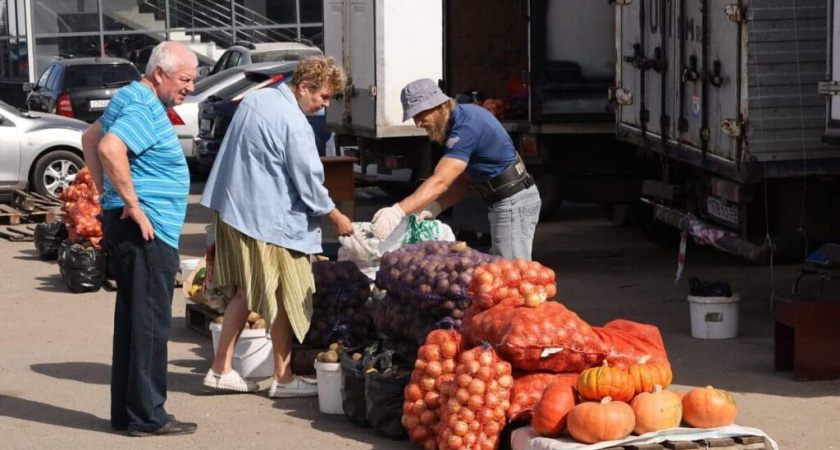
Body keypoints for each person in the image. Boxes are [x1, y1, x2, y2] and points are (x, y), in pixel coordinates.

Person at [199, 56, 354, 398]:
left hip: (234, 209)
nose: (325, 105)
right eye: (323, 97)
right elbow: (309, 182)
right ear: (303, 88)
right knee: (264, 292)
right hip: (264, 219)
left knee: (267, 292)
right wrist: (336, 217)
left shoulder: (257, 99)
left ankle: (278, 377)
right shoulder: (294, 123)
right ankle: (225, 368)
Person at [80, 41, 198, 437]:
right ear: (160, 74)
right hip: (146, 230)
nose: (191, 88)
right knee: (150, 325)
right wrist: (129, 203)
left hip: (135, 225)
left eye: (193, 80)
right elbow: (109, 147)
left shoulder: (130, 97)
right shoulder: (144, 105)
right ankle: (148, 416)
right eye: (185, 79)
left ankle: (128, 413)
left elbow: (90, 138)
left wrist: (107, 197)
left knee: (134, 321)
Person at [372, 78, 541, 260]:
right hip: (505, 199)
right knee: (505, 269)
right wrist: (435, 207)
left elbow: (441, 180)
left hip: (512, 201)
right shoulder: (459, 121)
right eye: (414, 117)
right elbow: (461, 182)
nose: (418, 124)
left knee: (513, 272)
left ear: (441, 105)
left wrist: (397, 211)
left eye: (420, 115)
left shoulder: (466, 128)